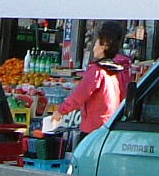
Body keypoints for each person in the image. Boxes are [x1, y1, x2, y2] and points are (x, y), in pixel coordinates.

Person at [48, 21, 132, 149]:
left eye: (96, 42)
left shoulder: (97, 71)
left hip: (92, 129)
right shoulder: (120, 71)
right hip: (110, 127)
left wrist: (61, 111)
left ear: (104, 45)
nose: (93, 47)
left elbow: (79, 95)